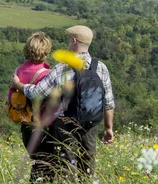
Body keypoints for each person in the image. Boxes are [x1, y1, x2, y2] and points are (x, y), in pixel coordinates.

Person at [11, 25, 115, 180]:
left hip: (65, 126)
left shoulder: (62, 68)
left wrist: (18, 85)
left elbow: (37, 93)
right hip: (91, 125)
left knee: (66, 169)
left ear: (74, 41)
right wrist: (108, 128)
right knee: (87, 168)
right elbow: (108, 102)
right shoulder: (100, 67)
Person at [8, 32, 54, 182]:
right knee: (48, 168)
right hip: (44, 126)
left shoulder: (18, 71)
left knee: (35, 164)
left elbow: (11, 99)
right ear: (46, 51)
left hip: (26, 125)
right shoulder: (47, 74)